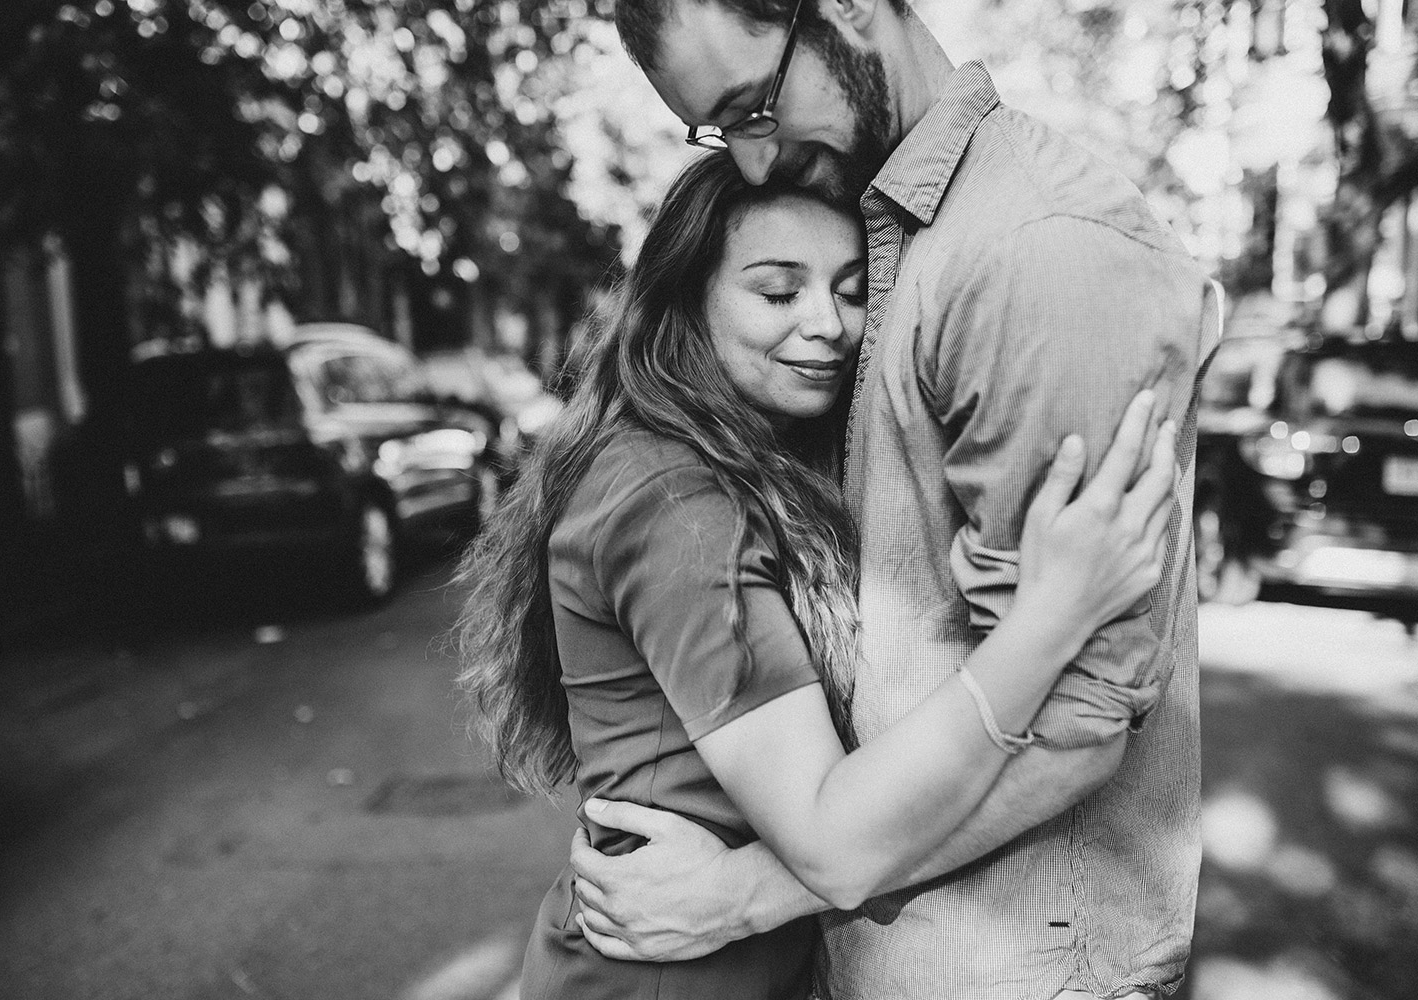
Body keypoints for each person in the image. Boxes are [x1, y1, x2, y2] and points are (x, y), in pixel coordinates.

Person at [566, 1, 1222, 998]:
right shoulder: (895, 233)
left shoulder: (1031, 249)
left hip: (1025, 971)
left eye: (756, 107)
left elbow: (1079, 717)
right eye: (720, 131)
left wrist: (746, 892)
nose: (751, 164)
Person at [456, 152, 1179, 999]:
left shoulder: (741, 464)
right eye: (776, 291)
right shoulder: (675, 506)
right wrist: (1051, 618)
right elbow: (834, 845)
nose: (828, 324)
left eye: (848, 290)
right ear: (686, 299)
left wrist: (746, 894)